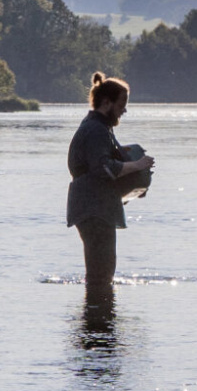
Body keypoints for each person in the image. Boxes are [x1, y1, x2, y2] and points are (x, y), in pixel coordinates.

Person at [67, 71, 152, 307]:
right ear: (107, 103)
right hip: (93, 209)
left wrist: (134, 183)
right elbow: (103, 169)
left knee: (103, 270)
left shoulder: (100, 128)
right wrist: (138, 164)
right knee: (100, 273)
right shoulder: (95, 130)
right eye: (122, 104)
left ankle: (99, 321)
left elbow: (105, 170)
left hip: (97, 206)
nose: (124, 110)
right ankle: (98, 327)